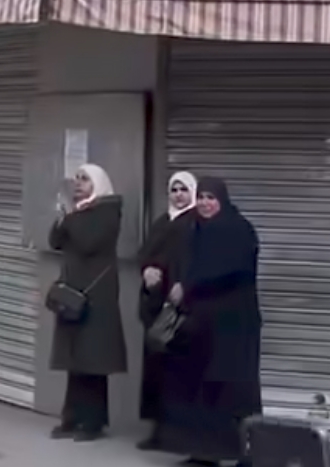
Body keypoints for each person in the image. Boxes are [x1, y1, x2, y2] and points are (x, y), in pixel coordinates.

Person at [159, 176, 262, 466]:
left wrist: (188, 286)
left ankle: (245, 454)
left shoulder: (237, 230)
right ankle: (204, 453)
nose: (204, 203)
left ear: (222, 200)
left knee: (232, 391)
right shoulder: (196, 229)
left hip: (234, 326)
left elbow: (230, 271)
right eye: (201, 197)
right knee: (201, 389)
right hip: (203, 324)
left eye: (211, 198)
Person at [47, 163, 126, 442]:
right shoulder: (78, 212)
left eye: (85, 179)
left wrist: (71, 217)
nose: (78, 184)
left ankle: (93, 421)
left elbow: (87, 241)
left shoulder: (107, 212)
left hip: (96, 296)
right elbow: (56, 241)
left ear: (98, 184)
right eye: (77, 178)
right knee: (75, 359)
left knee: (94, 361)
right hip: (73, 292)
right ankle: (71, 417)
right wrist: (64, 218)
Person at [137, 172, 198, 451]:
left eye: (184, 189)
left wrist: (183, 284)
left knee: (178, 372)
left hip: (180, 308)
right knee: (155, 371)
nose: (178, 195)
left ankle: (178, 434)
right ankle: (158, 431)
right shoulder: (163, 221)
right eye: (174, 189)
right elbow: (146, 253)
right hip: (155, 304)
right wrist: (146, 269)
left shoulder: (195, 222)